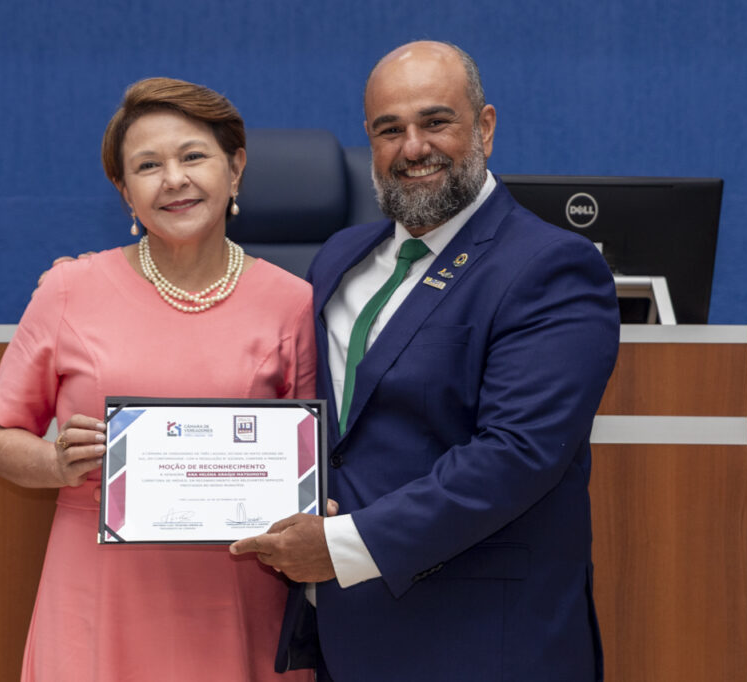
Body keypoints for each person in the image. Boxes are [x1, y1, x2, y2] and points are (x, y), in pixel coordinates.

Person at [230, 41, 621, 681]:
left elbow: (517, 454)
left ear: (485, 127)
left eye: (436, 122)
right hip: (347, 638)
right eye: (390, 130)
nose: (413, 148)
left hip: (482, 642)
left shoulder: (552, 266)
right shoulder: (340, 256)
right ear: (370, 141)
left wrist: (339, 547)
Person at [0, 77, 315, 681]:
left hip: (237, 593)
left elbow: (315, 461)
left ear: (235, 168)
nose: (174, 179)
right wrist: (56, 464)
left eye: (193, 156)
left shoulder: (293, 303)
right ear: (124, 191)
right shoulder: (67, 291)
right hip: (97, 596)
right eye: (148, 165)